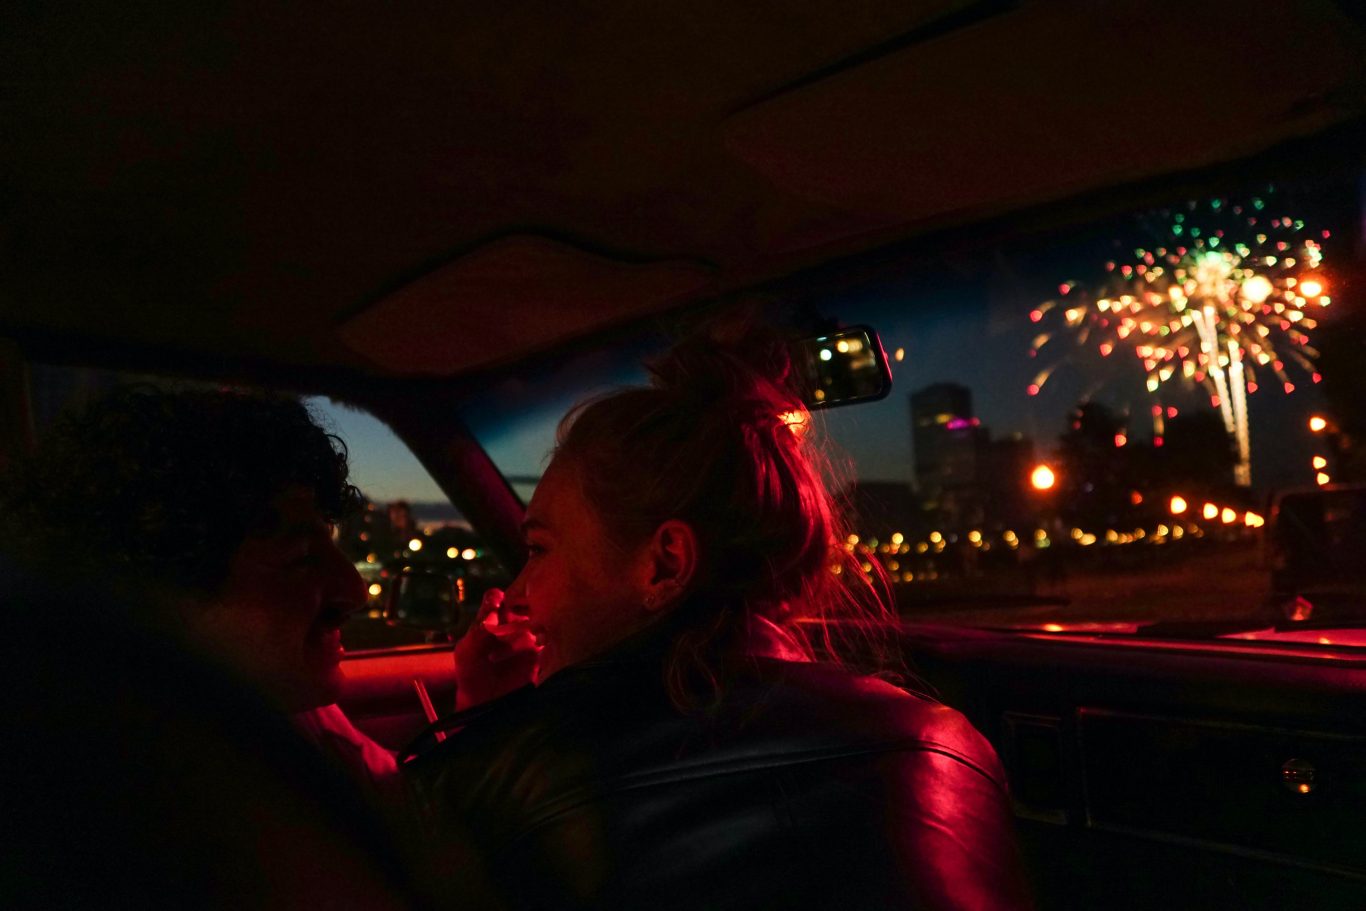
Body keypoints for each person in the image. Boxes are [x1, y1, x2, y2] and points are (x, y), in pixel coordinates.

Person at [405, 333, 1032, 910]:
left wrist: (486, 728)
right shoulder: (945, 745)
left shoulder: (484, 785)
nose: (516, 595)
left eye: (538, 550)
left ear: (664, 565)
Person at [0, 385, 431, 906]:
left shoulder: (293, 719)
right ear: (155, 589)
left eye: (330, 542)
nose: (354, 592)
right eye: (299, 556)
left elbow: (412, 833)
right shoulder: (106, 823)